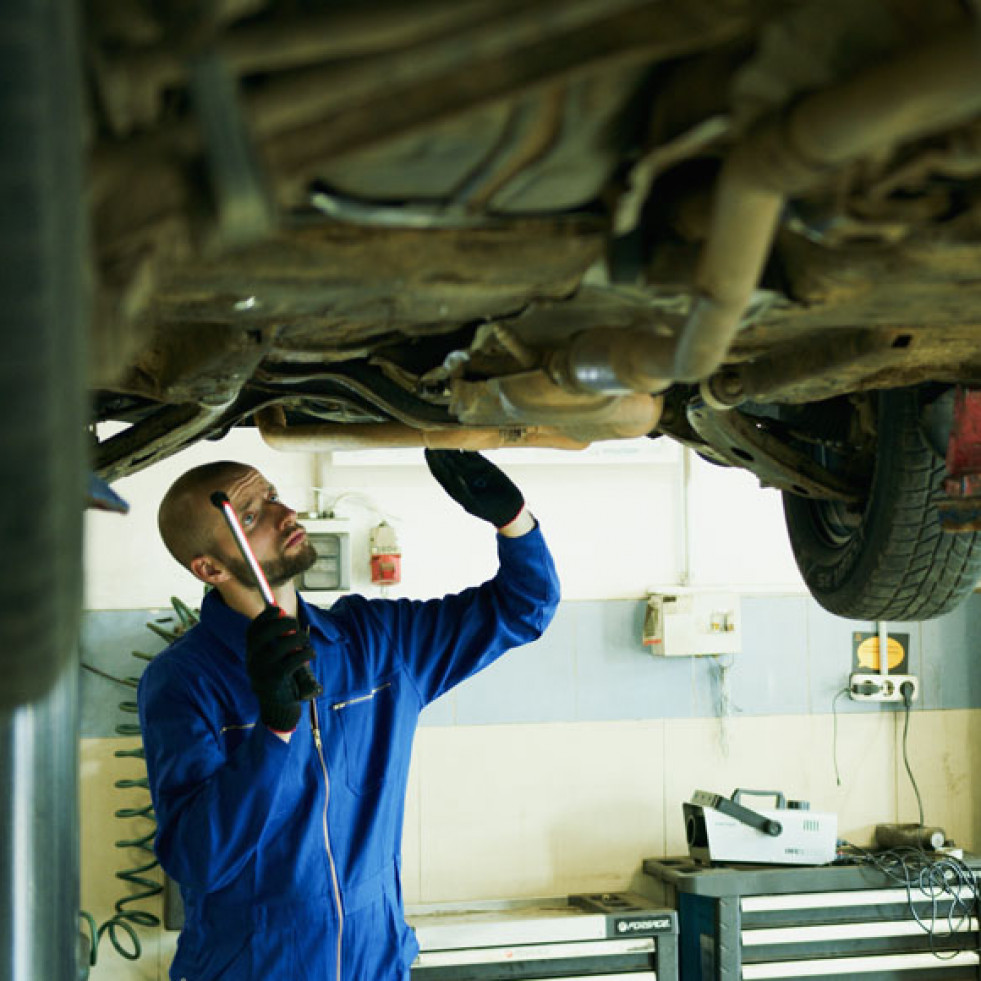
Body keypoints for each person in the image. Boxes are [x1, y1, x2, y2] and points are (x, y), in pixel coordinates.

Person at [138, 449, 560, 981]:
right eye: (249, 515)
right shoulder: (183, 681)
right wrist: (273, 730)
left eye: (271, 495)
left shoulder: (378, 643)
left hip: (373, 965)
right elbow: (199, 860)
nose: (283, 513)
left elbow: (525, 608)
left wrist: (513, 519)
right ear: (210, 568)